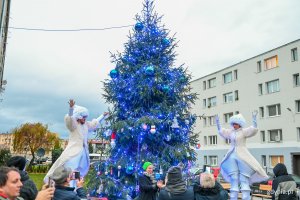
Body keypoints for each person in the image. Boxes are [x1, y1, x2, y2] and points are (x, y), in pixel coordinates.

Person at [45, 99, 108, 183]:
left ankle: (74, 188)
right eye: (83, 117)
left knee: (78, 172)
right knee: (71, 169)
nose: (85, 119)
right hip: (73, 151)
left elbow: (94, 123)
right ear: (79, 116)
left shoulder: (85, 125)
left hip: (83, 152)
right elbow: (70, 119)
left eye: (86, 117)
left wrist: (102, 116)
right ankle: (65, 185)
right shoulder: (74, 125)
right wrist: (71, 109)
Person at [215, 111, 268, 200]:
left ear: (240, 124)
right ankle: (233, 198)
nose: (234, 125)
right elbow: (222, 132)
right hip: (232, 155)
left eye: (236, 124)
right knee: (234, 179)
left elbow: (253, 130)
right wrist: (217, 122)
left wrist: (254, 119)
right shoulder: (231, 132)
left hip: (242, 155)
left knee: (244, 179)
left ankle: (246, 198)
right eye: (233, 124)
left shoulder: (243, 132)